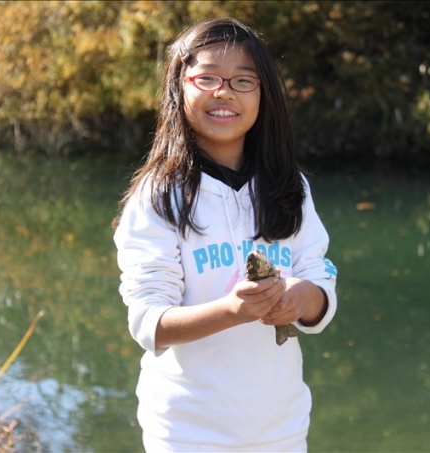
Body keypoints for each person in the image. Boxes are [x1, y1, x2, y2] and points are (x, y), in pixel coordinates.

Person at [113, 17, 337, 452]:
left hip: (282, 431)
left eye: (243, 81)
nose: (224, 92)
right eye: (208, 78)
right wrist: (232, 311)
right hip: (187, 433)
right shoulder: (158, 196)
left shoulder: (290, 187)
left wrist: (302, 298)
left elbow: (320, 280)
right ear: (179, 86)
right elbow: (148, 324)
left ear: (264, 94)